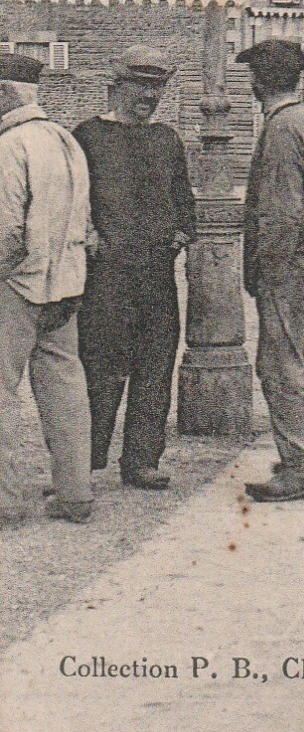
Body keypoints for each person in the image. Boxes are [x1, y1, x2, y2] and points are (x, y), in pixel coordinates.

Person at [72, 45, 195, 491]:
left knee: (156, 364)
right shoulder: (86, 136)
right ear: (116, 87)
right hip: (106, 274)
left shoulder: (167, 139)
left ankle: (142, 460)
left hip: (157, 273)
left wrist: (184, 231)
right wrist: (89, 235)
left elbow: (183, 197)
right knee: (100, 365)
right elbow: (73, 200)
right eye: (141, 85)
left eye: (157, 87)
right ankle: (83, 461)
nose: (149, 95)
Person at [238, 40, 304, 504]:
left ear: (258, 82)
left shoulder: (282, 128)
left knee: (280, 365)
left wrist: (267, 269)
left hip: (294, 265)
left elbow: (280, 213)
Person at [0, 53, 95, 524]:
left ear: (5, 94)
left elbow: (7, 234)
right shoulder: (67, 141)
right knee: (65, 388)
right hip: (66, 285)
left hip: (16, 285)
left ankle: (5, 503)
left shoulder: (9, 146)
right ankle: (76, 494)